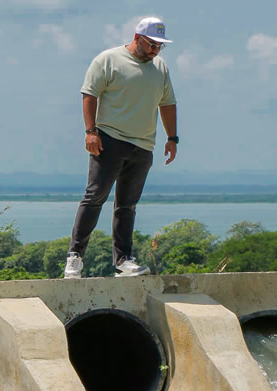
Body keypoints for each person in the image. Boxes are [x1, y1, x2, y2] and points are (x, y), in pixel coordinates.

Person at [63, 17, 178, 278]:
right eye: (151, 44)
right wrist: (90, 131)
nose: (155, 51)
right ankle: (75, 257)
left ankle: (123, 261)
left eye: (160, 46)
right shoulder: (108, 60)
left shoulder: (160, 68)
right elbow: (89, 94)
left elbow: (168, 103)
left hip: (143, 145)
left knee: (127, 205)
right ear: (137, 38)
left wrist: (172, 137)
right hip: (109, 139)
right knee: (95, 198)